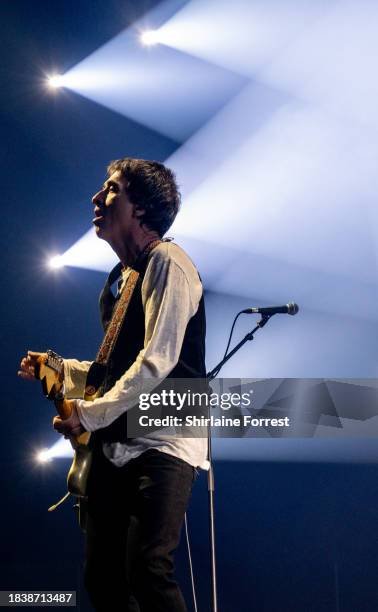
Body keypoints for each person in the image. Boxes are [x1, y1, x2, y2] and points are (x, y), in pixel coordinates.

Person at [18, 158, 208, 612]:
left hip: (163, 440)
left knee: (147, 568)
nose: (96, 198)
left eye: (111, 189)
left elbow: (157, 360)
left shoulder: (169, 262)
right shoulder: (118, 282)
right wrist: (64, 371)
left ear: (140, 206)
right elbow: (116, 369)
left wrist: (86, 414)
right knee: (102, 579)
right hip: (118, 440)